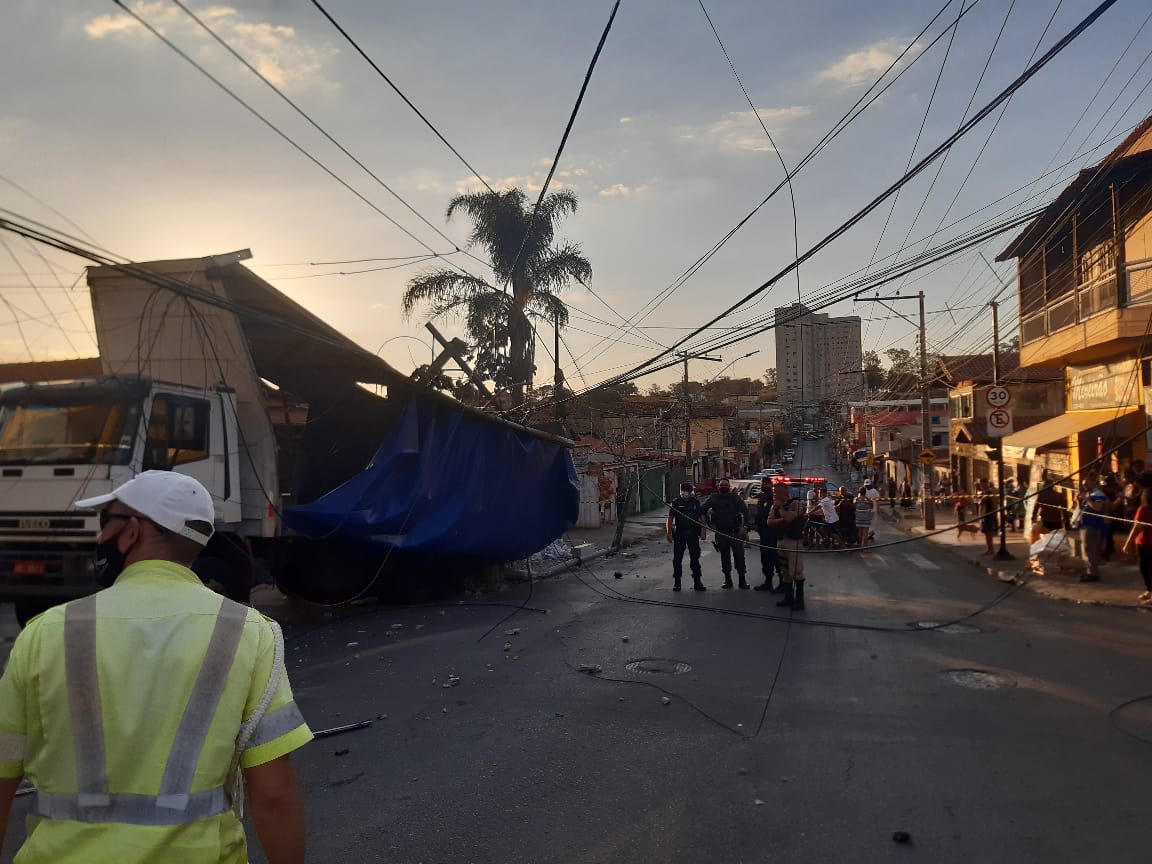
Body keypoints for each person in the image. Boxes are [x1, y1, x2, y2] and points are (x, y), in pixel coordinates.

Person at [0, 470, 311, 864]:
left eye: (105, 522)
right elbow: (274, 793)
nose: (99, 538)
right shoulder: (246, 633)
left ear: (132, 532)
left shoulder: (46, 633)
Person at [703, 478, 750, 589]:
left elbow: (746, 512)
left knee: (739, 557)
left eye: (725, 484)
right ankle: (727, 580)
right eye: (721, 484)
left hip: (735, 533)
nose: (723, 486)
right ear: (718, 486)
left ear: (729, 486)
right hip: (721, 533)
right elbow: (702, 509)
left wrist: (744, 527)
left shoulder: (735, 498)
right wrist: (710, 525)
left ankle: (742, 580)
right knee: (725, 558)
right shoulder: (713, 498)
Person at [766, 482, 807, 610]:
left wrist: (781, 510)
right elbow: (769, 522)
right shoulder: (775, 505)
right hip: (781, 540)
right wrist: (782, 517)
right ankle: (788, 598)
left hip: (793, 541)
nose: (774, 494)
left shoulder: (795, 504)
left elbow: (790, 518)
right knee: (785, 571)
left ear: (784, 491)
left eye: (776, 491)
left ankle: (799, 600)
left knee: (795, 571)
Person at [666, 481, 706, 592]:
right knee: (677, 559)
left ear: (690, 492)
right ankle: (677, 582)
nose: (683, 493)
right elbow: (670, 518)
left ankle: (697, 582)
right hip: (680, 534)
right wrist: (669, 532)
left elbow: (702, 517)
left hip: (693, 533)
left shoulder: (695, 503)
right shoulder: (676, 503)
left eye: (686, 491)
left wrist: (703, 531)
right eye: (682, 491)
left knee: (695, 558)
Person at [1122, 486, 1152, 605]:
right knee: (1145, 568)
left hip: (1145, 543)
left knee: (1146, 568)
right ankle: (1149, 590)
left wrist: (1127, 543)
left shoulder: (1143, 509)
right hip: (1145, 543)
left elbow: (1136, 528)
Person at [753, 485, 784, 592]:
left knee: (777, 560)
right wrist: (756, 526)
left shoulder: (778, 502)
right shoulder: (762, 498)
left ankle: (783, 584)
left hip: (774, 535)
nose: (764, 486)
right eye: (762, 483)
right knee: (765, 560)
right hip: (764, 535)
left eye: (766, 484)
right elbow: (758, 515)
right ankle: (768, 582)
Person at [1079, 478, 1110, 582]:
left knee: (1091, 550)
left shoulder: (1098, 494)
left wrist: (1086, 499)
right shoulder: (1091, 494)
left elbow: (1098, 507)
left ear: (1094, 482)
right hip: (1086, 524)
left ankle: (1093, 573)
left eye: (1087, 483)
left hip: (1093, 525)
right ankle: (1090, 571)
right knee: (1088, 550)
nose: (1085, 486)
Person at [980, 485, 999, 555]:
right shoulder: (987, 493)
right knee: (987, 532)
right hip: (988, 515)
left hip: (988, 515)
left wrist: (982, 516)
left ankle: (990, 550)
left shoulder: (988, 494)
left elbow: (984, 506)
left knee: (988, 532)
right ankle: (990, 549)